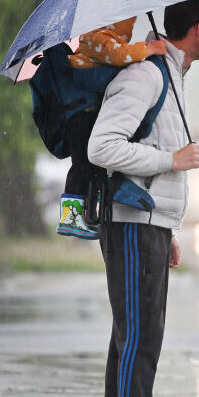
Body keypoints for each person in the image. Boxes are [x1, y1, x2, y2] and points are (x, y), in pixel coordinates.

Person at [85, 0, 199, 397]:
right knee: (137, 339)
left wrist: (168, 228)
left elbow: (150, 144)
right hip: (128, 224)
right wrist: (173, 162)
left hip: (148, 227)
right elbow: (102, 147)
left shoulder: (171, 76)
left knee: (138, 338)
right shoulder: (144, 75)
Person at [55, 17, 170, 240]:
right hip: (80, 116)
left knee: (90, 168)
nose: (128, 32)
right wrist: (148, 48)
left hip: (85, 113)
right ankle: (71, 219)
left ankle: (87, 214)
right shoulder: (96, 39)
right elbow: (119, 55)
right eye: (126, 26)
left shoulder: (100, 39)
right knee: (82, 166)